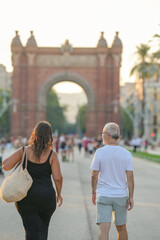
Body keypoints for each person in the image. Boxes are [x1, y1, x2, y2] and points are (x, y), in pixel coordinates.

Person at [2, 121, 63, 240]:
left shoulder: (24, 151)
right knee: (43, 228)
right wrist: (59, 194)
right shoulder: (52, 155)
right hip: (46, 197)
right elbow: (58, 178)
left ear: (34, 134)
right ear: (50, 136)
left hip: (26, 196)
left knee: (30, 229)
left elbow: (5, 165)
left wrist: (22, 159)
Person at [90, 122, 134, 240]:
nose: (102, 136)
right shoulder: (126, 154)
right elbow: (130, 177)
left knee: (103, 228)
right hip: (121, 196)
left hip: (104, 195)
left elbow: (94, 175)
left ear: (108, 135)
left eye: (103, 133)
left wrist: (93, 192)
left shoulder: (100, 152)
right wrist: (131, 197)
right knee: (121, 228)